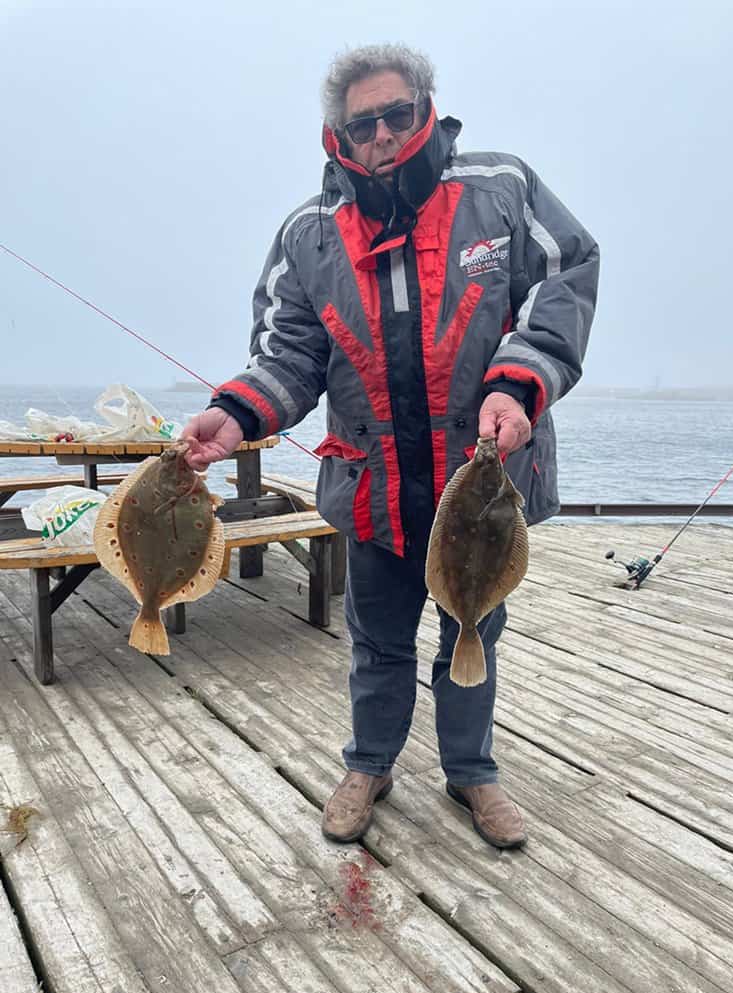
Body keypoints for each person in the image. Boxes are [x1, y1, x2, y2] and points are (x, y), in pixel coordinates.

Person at [182, 43, 599, 849]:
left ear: (427, 112)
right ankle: (368, 763)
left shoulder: (500, 189)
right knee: (375, 642)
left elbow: (565, 278)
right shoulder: (309, 233)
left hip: (478, 492)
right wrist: (236, 415)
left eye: (396, 115)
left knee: (472, 631)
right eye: (361, 123)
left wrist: (516, 382)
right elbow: (288, 354)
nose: (380, 134)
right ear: (336, 133)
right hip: (371, 488)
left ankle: (472, 773)